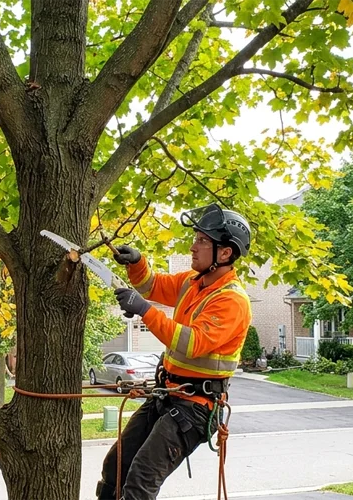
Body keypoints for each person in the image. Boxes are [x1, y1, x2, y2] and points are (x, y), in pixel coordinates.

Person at [97, 203, 254, 500]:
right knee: (115, 466)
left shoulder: (231, 300)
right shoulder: (191, 283)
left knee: (140, 481)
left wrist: (144, 310)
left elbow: (191, 343)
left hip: (195, 407)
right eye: (196, 238)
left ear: (224, 253)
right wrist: (137, 263)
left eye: (202, 241)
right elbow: (151, 285)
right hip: (168, 394)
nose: (193, 246)